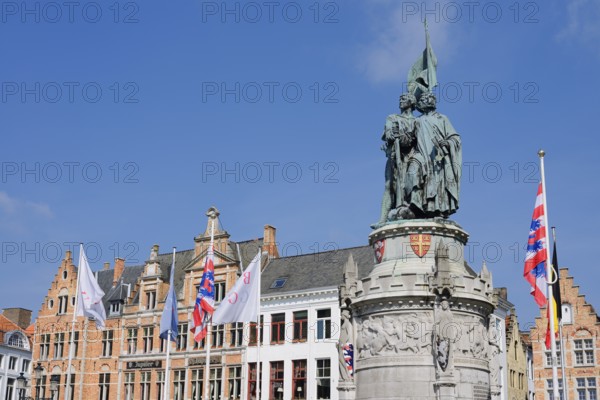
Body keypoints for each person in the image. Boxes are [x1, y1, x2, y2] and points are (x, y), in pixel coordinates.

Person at [405, 92, 461, 218]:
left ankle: (435, 208)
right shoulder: (417, 121)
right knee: (412, 172)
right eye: (425, 98)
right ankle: (415, 204)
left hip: (437, 157)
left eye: (431, 98)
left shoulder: (442, 118)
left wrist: (447, 143)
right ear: (420, 104)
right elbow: (409, 140)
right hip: (421, 155)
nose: (429, 100)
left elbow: (455, 138)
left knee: (436, 181)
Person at [372, 93, 417, 228]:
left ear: (411, 102)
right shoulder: (392, 117)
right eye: (400, 99)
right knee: (389, 185)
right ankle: (382, 220)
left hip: (411, 157)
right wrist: (391, 135)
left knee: (409, 184)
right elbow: (388, 132)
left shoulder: (417, 121)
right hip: (394, 156)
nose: (401, 100)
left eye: (404, 99)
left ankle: (409, 209)